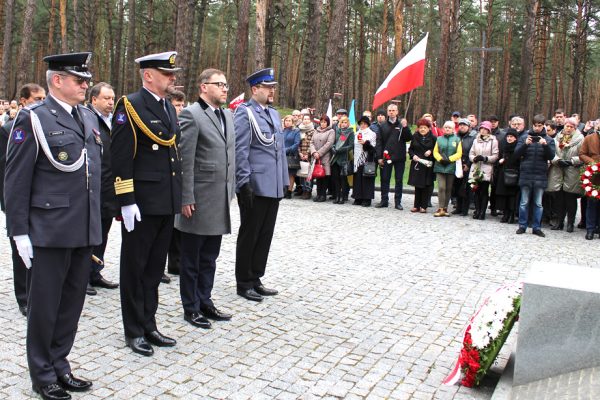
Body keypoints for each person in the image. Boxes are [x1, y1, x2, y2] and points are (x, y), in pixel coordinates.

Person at [5, 52, 100, 399]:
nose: (85, 85)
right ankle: (42, 374)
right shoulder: (34, 119)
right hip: (49, 229)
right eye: (79, 80)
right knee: (44, 307)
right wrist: (18, 232)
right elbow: (16, 179)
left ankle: (61, 364)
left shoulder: (87, 118)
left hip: (82, 228)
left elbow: (94, 174)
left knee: (72, 304)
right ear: (57, 80)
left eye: (87, 79)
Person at [111, 51, 182, 356]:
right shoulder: (130, 105)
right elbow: (120, 157)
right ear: (148, 75)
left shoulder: (167, 106)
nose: (173, 78)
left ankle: (149, 324)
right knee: (135, 268)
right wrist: (126, 200)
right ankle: (133, 330)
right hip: (141, 203)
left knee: (154, 270)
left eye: (173, 74)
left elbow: (172, 156)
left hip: (165, 202)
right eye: (167, 74)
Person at [175, 68, 235, 329]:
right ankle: (191, 307)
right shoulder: (191, 115)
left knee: (210, 257)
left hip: (219, 198)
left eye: (225, 84)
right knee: (191, 259)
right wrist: (185, 197)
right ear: (203, 87)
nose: (224, 88)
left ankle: (205, 300)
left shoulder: (227, 115)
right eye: (218, 84)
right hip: (197, 200)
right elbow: (185, 160)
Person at [234, 67, 288, 302]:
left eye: (273, 87)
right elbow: (240, 150)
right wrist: (243, 183)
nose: (272, 91)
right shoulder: (244, 113)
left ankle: (256, 277)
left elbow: (280, 152)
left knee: (265, 234)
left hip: (272, 185)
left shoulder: (274, 114)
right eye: (268, 87)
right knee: (250, 234)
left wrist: (284, 181)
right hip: (255, 185)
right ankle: (243, 281)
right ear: (255, 89)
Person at [0, 83, 45, 317]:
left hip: (39, 200)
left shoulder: (43, 125)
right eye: (36, 98)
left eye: (43, 98)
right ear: (24, 100)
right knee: (20, 252)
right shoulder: (10, 129)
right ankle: (24, 297)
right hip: (18, 201)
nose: (41, 101)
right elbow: (6, 170)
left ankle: (38, 293)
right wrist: (7, 203)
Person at [85, 82, 119, 297]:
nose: (110, 102)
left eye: (112, 98)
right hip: (91, 189)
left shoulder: (113, 121)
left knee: (102, 233)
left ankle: (96, 272)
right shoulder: (87, 119)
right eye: (106, 98)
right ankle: (82, 277)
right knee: (88, 235)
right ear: (93, 99)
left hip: (108, 188)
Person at [514, 114, 556, 237]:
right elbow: (516, 154)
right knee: (524, 202)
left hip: (540, 175)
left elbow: (552, 157)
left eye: (540, 126)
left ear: (543, 126)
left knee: (538, 203)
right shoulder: (524, 137)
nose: (537, 128)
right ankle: (522, 225)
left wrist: (546, 146)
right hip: (526, 174)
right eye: (535, 125)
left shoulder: (549, 140)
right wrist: (525, 144)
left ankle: (536, 227)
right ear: (532, 125)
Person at [163, 89, 187, 282]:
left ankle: (175, 262)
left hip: (181, 179)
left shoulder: (184, 124)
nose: (180, 108)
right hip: (167, 180)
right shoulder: (166, 124)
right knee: (166, 227)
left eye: (181, 105)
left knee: (177, 226)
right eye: (176, 105)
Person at [546, 117, 584, 232]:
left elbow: (582, 155)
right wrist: (557, 160)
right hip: (558, 171)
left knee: (570, 199)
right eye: (567, 126)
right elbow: (551, 152)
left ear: (575, 128)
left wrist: (572, 161)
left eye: (571, 127)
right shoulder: (557, 138)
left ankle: (570, 223)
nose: (568, 128)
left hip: (572, 171)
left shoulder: (580, 139)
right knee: (559, 199)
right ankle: (559, 221)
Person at [376, 104, 412, 209]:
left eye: (393, 110)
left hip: (399, 157)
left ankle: (398, 202)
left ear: (397, 112)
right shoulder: (382, 125)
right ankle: (384, 200)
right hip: (386, 157)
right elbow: (379, 142)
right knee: (385, 179)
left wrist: (405, 128)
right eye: (389, 110)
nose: (391, 112)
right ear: (387, 112)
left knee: (399, 180)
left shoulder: (402, 124)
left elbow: (408, 138)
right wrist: (379, 157)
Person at [468, 121, 499, 220]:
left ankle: (482, 212)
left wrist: (485, 158)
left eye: (485, 129)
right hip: (476, 168)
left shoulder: (493, 141)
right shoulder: (476, 140)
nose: (483, 130)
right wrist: (474, 158)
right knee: (476, 190)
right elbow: (471, 153)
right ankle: (477, 210)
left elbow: (495, 156)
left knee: (484, 191)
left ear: (489, 130)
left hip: (486, 168)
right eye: (482, 128)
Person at [433, 121, 462, 216]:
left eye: (449, 127)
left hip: (451, 166)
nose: (447, 129)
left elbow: (459, 153)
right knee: (441, 187)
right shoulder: (439, 139)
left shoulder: (457, 139)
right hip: (440, 165)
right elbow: (435, 152)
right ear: (443, 128)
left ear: (453, 129)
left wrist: (449, 159)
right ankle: (440, 208)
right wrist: (440, 159)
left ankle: (445, 208)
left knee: (449, 188)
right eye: (445, 127)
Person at [408, 118, 436, 213]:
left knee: (426, 185)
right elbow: (410, 149)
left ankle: (424, 206)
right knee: (417, 185)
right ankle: (416, 206)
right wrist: (413, 156)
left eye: (424, 127)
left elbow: (437, 150)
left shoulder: (433, 138)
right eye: (420, 128)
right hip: (417, 164)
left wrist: (431, 151)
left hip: (427, 164)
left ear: (428, 128)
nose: (422, 129)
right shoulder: (415, 136)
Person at [580, 119, 600, 240]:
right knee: (592, 203)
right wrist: (592, 162)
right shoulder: (589, 138)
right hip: (593, 176)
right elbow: (582, 154)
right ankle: (590, 229)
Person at [495, 129, 521, 223]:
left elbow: (517, 161)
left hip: (513, 173)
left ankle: (511, 215)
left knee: (512, 196)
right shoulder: (504, 147)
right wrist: (500, 161)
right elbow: (498, 158)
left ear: (515, 138)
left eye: (511, 137)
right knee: (504, 196)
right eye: (508, 137)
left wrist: (506, 160)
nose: (509, 138)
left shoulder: (518, 148)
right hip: (503, 173)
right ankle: (505, 214)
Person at [453, 118, 476, 216]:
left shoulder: (472, 138)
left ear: (469, 127)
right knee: (457, 186)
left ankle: (464, 209)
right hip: (456, 164)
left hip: (467, 164)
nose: (462, 127)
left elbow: (473, 151)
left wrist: (468, 164)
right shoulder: (455, 136)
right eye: (460, 125)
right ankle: (458, 207)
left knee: (466, 188)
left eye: (464, 125)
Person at [310, 115, 335, 202]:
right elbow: (311, 142)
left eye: (325, 122)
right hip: (315, 157)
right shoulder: (316, 131)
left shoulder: (331, 131)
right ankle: (318, 194)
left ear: (327, 123)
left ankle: (323, 195)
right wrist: (314, 152)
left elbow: (329, 143)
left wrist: (319, 153)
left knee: (324, 175)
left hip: (325, 156)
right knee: (317, 175)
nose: (323, 123)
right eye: (321, 122)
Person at [352, 116, 377, 206]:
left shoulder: (372, 134)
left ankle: (367, 199)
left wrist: (365, 143)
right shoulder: (356, 133)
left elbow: (373, 149)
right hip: (357, 159)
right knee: (358, 179)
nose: (362, 125)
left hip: (367, 158)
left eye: (365, 124)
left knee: (367, 178)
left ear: (368, 124)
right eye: (361, 123)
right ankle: (358, 197)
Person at [330, 116, 354, 204]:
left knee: (343, 179)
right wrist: (333, 148)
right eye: (342, 122)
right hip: (335, 158)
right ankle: (337, 196)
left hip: (344, 158)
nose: (343, 124)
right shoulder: (337, 131)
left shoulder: (350, 132)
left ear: (348, 123)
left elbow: (351, 146)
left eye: (345, 122)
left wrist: (340, 149)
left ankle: (343, 197)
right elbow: (334, 143)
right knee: (335, 178)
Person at [282, 115, 301, 199]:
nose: (287, 122)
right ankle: (283, 190)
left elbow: (297, 144)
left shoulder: (296, 131)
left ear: (292, 122)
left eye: (289, 120)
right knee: (283, 173)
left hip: (291, 155)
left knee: (291, 174)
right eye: (286, 120)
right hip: (281, 155)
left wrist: (286, 150)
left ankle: (289, 191)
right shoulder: (282, 130)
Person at [298, 114, 316, 199]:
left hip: (309, 155)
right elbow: (297, 143)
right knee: (302, 173)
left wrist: (307, 154)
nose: (306, 120)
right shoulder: (300, 130)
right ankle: (303, 189)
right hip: (301, 155)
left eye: (307, 119)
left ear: (310, 120)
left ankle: (308, 191)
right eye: (304, 119)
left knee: (309, 174)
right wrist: (300, 153)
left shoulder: (313, 131)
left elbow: (313, 143)